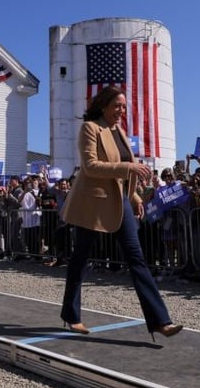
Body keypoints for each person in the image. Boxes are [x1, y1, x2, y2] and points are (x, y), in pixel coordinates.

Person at [59, 86, 182, 340]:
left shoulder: (121, 132)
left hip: (120, 202)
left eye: (124, 107)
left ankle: (160, 321)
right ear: (103, 106)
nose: (121, 111)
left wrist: (135, 195)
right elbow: (91, 166)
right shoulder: (90, 128)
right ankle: (71, 315)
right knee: (80, 259)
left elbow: (124, 175)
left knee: (136, 258)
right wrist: (128, 166)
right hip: (92, 203)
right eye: (117, 106)